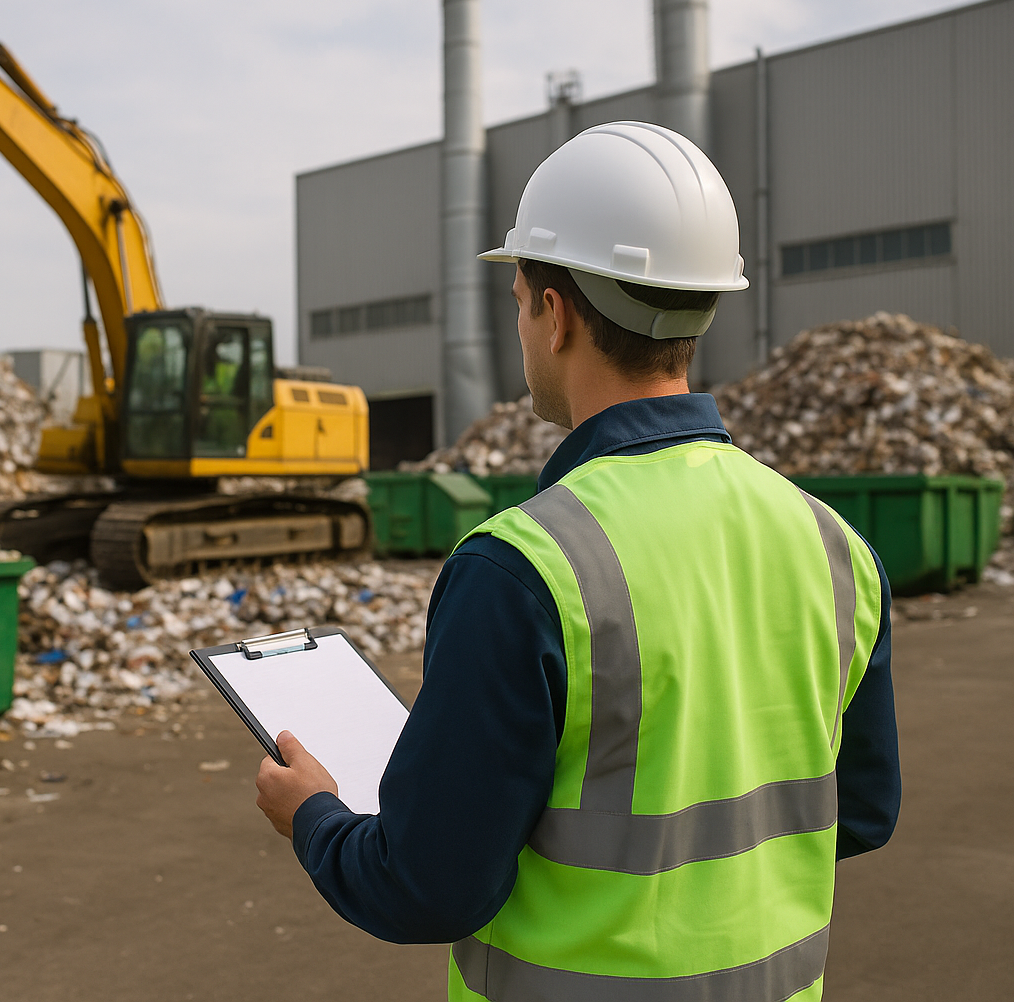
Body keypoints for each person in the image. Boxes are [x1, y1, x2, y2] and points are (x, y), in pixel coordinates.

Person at [254, 121, 900, 1001]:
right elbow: (857, 812)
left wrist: (316, 818)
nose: (521, 325)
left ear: (554, 315)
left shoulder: (522, 569)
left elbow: (427, 887)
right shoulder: (833, 545)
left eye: (518, 299)